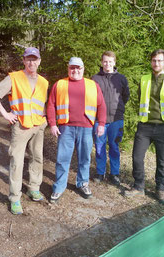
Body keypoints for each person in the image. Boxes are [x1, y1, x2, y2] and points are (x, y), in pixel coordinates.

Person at [0, 47, 49, 215]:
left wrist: (45, 121)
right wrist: (5, 114)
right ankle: (15, 198)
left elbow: (42, 102)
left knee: (37, 158)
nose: (31, 62)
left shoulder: (44, 82)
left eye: (34, 59)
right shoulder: (14, 78)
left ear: (39, 61)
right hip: (21, 126)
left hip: (38, 125)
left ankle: (34, 188)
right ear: (23, 61)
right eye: (28, 59)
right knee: (17, 161)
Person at [125, 49, 164, 205]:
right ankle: (138, 186)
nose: (156, 63)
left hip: (163, 127)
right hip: (144, 126)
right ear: (151, 62)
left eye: (159, 60)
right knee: (137, 157)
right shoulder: (144, 79)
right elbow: (139, 99)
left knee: (162, 161)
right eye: (153, 60)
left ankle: (160, 189)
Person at [46, 57, 106, 202]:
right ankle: (59, 187)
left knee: (85, 158)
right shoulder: (60, 84)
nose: (75, 71)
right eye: (72, 68)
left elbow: (101, 105)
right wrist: (53, 124)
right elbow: (51, 105)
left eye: (78, 68)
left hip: (86, 128)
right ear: (68, 69)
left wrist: (102, 124)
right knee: (62, 159)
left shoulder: (92, 85)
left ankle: (82, 183)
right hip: (66, 128)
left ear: (83, 69)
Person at [91, 51, 130, 186]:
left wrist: (117, 108)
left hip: (116, 119)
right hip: (98, 120)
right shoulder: (95, 79)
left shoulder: (121, 78)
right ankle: (100, 172)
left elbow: (126, 97)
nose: (107, 64)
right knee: (100, 146)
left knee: (114, 146)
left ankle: (114, 173)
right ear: (102, 62)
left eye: (110, 61)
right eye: (105, 61)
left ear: (115, 62)